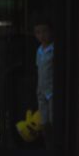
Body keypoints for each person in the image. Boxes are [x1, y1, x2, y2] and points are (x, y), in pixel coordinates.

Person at [33, 20, 54, 148]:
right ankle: (48, 146)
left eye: (44, 31)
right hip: (41, 90)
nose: (41, 35)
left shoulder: (54, 49)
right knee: (43, 121)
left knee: (53, 120)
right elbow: (38, 70)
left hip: (52, 91)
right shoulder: (39, 50)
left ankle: (55, 147)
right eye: (38, 32)